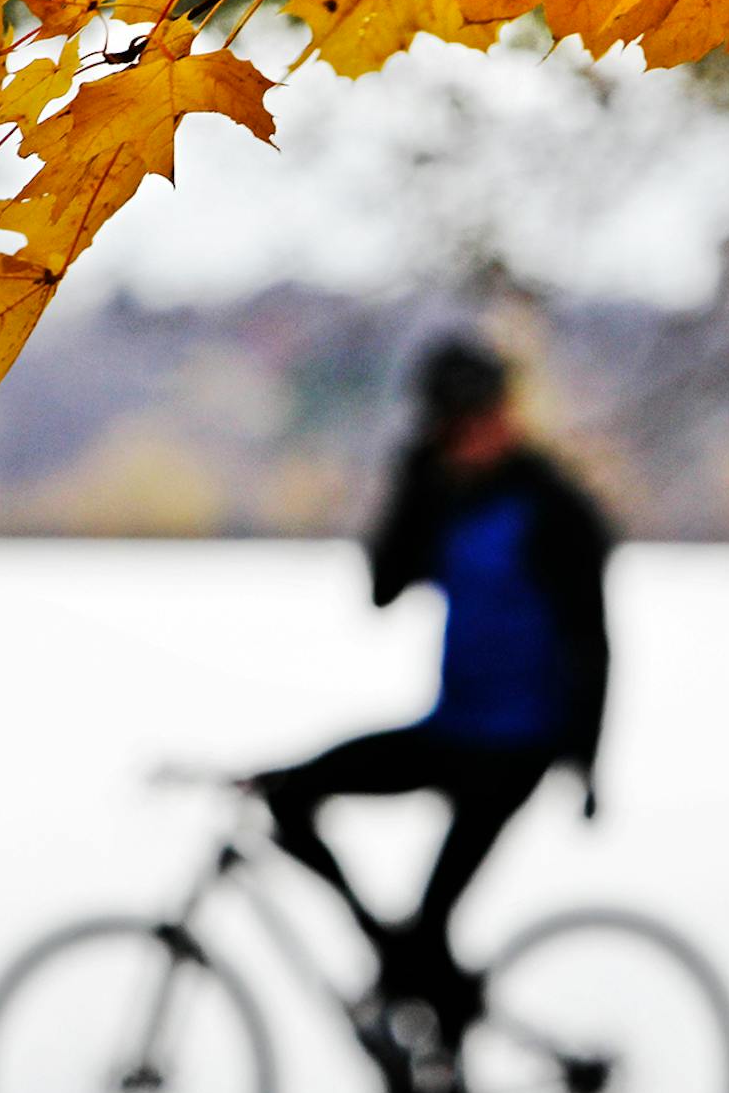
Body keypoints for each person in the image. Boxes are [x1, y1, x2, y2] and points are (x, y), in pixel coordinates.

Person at [251, 336, 614, 1041]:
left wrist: (587, 758)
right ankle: (394, 956)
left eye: (479, 418)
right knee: (289, 796)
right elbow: (384, 587)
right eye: (452, 425)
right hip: (454, 730)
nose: (470, 437)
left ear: (505, 414)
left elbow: (593, 641)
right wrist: (411, 487)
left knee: (432, 927)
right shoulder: (443, 493)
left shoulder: (555, 506)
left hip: (519, 749)